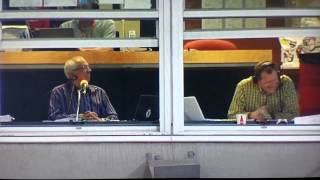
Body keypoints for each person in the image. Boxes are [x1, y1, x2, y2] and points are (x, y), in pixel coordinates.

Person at [48, 56, 117, 121]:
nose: (89, 70)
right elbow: (54, 117)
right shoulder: (58, 92)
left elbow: (113, 117)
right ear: (71, 75)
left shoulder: (99, 92)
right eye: (84, 67)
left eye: (88, 67)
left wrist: (99, 120)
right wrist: (80, 117)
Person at [227, 61, 299, 123]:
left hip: (279, 131)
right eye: (269, 82)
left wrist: (270, 116)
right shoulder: (243, 86)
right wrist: (252, 115)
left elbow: (294, 114)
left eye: (275, 80)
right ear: (257, 81)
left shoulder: (286, 83)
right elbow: (232, 115)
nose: (273, 84)